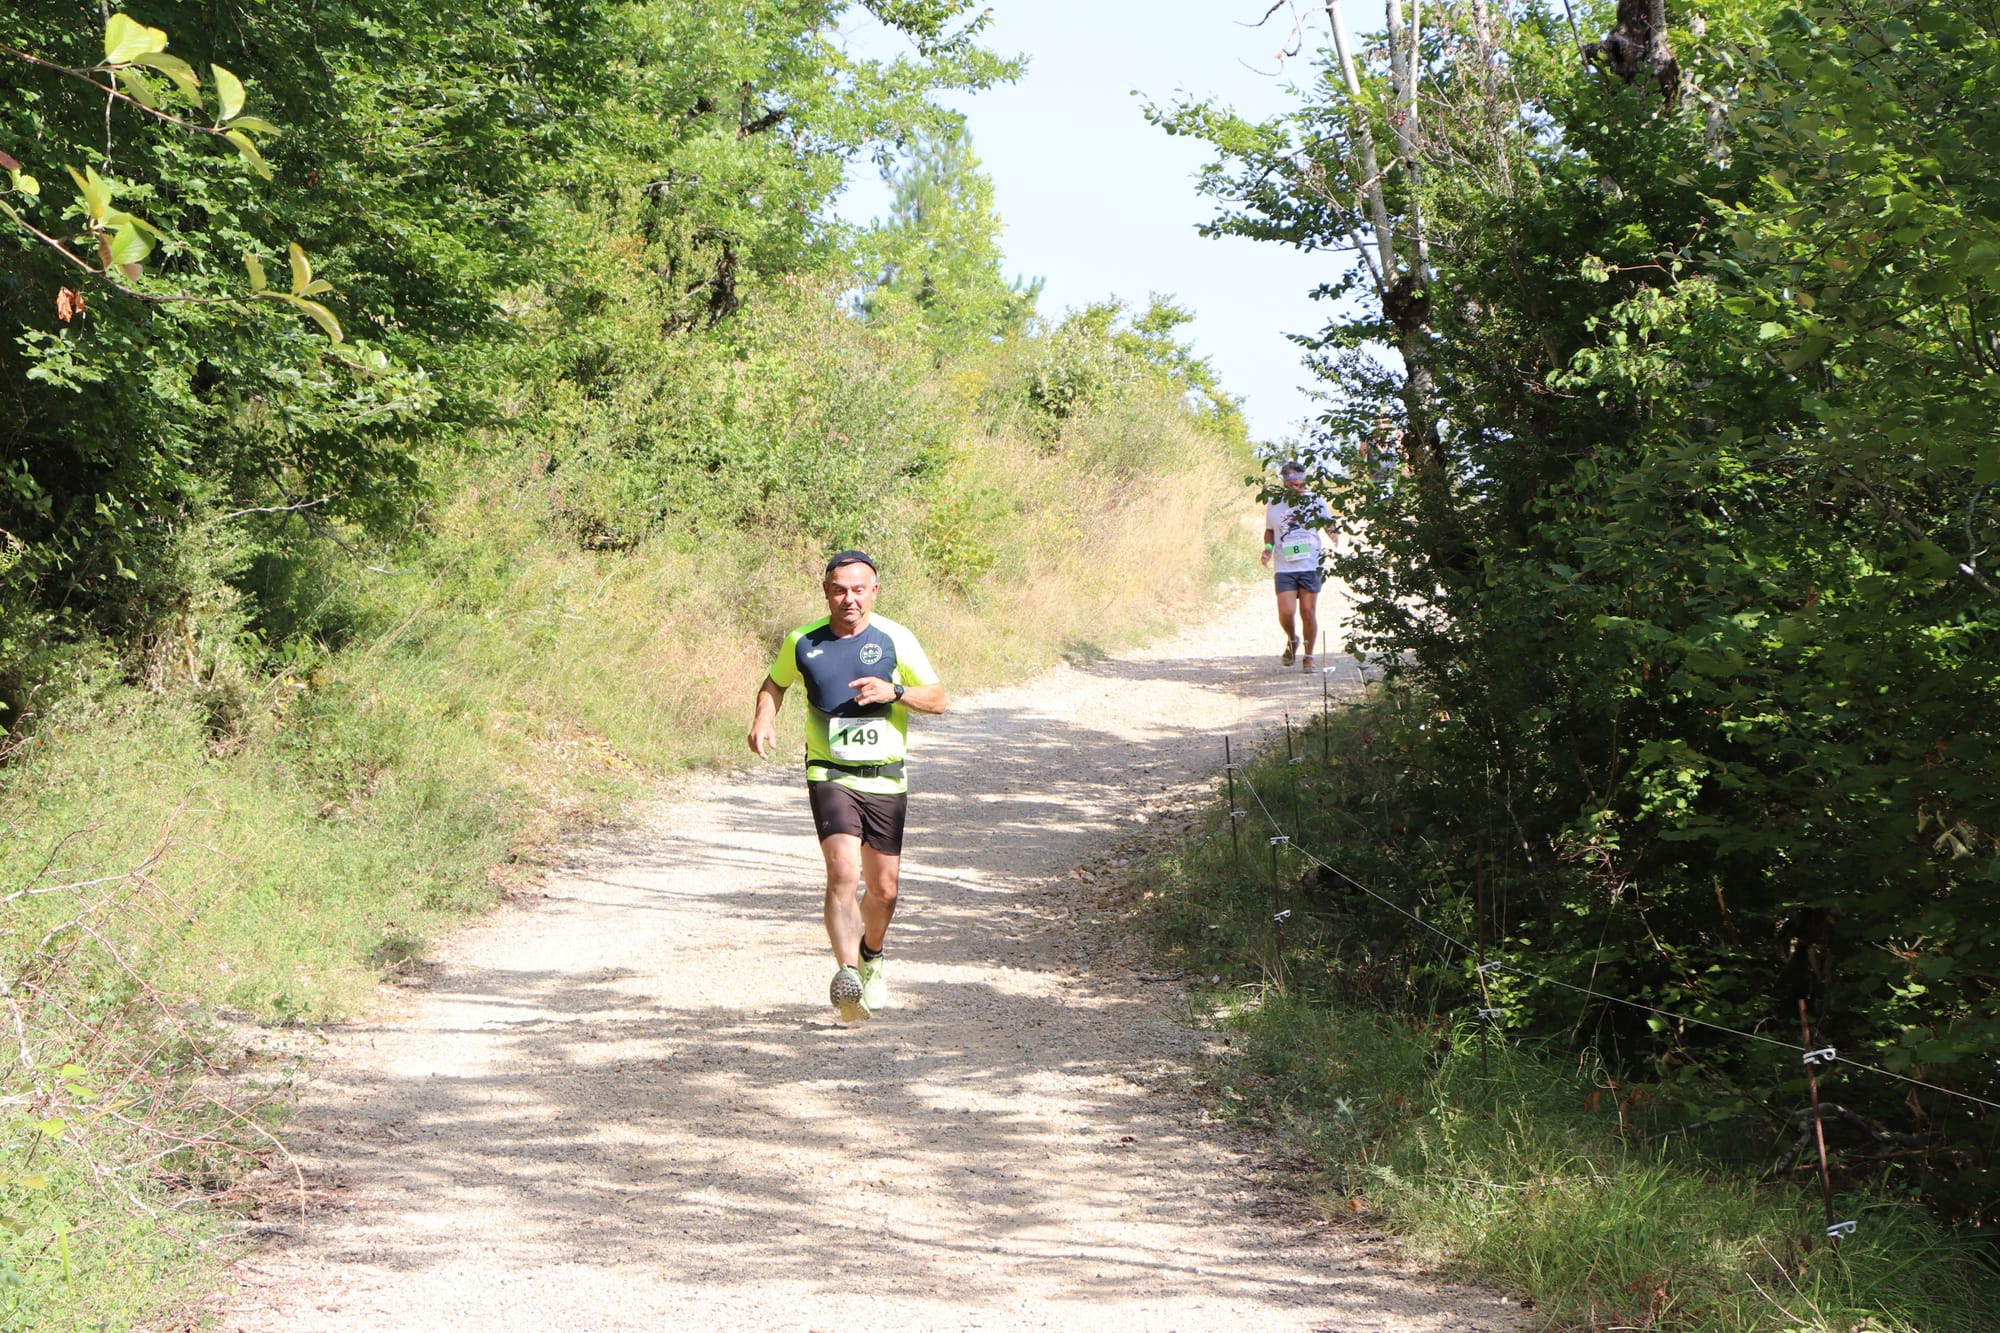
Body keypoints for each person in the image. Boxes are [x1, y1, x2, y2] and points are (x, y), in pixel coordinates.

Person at [746, 550, 947, 1022]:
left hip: (886, 777)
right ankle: (848, 976)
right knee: (841, 871)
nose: (849, 599)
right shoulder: (803, 640)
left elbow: (938, 699)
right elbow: (775, 684)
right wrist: (763, 716)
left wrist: (895, 691)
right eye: (839, 589)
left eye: (859, 589)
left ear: (874, 591)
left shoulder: (897, 638)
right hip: (829, 773)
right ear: (826, 591)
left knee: (885, 889)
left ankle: (872, 955)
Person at [1261, 461, 1332, 672]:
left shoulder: (1315, 500)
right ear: (1284, 483)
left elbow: (1327, 522)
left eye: (1297, 481)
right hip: (1285, 566)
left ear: (1304, 479)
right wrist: (1267, 548)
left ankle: (1309, 656)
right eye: (1290, 481)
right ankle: (1292, 640)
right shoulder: (1274, 502)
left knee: (1308, 612)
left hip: (1309, 564)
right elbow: (1270, 531)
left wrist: (1333, 533)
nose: (1294, 485)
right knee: (1286, 612)